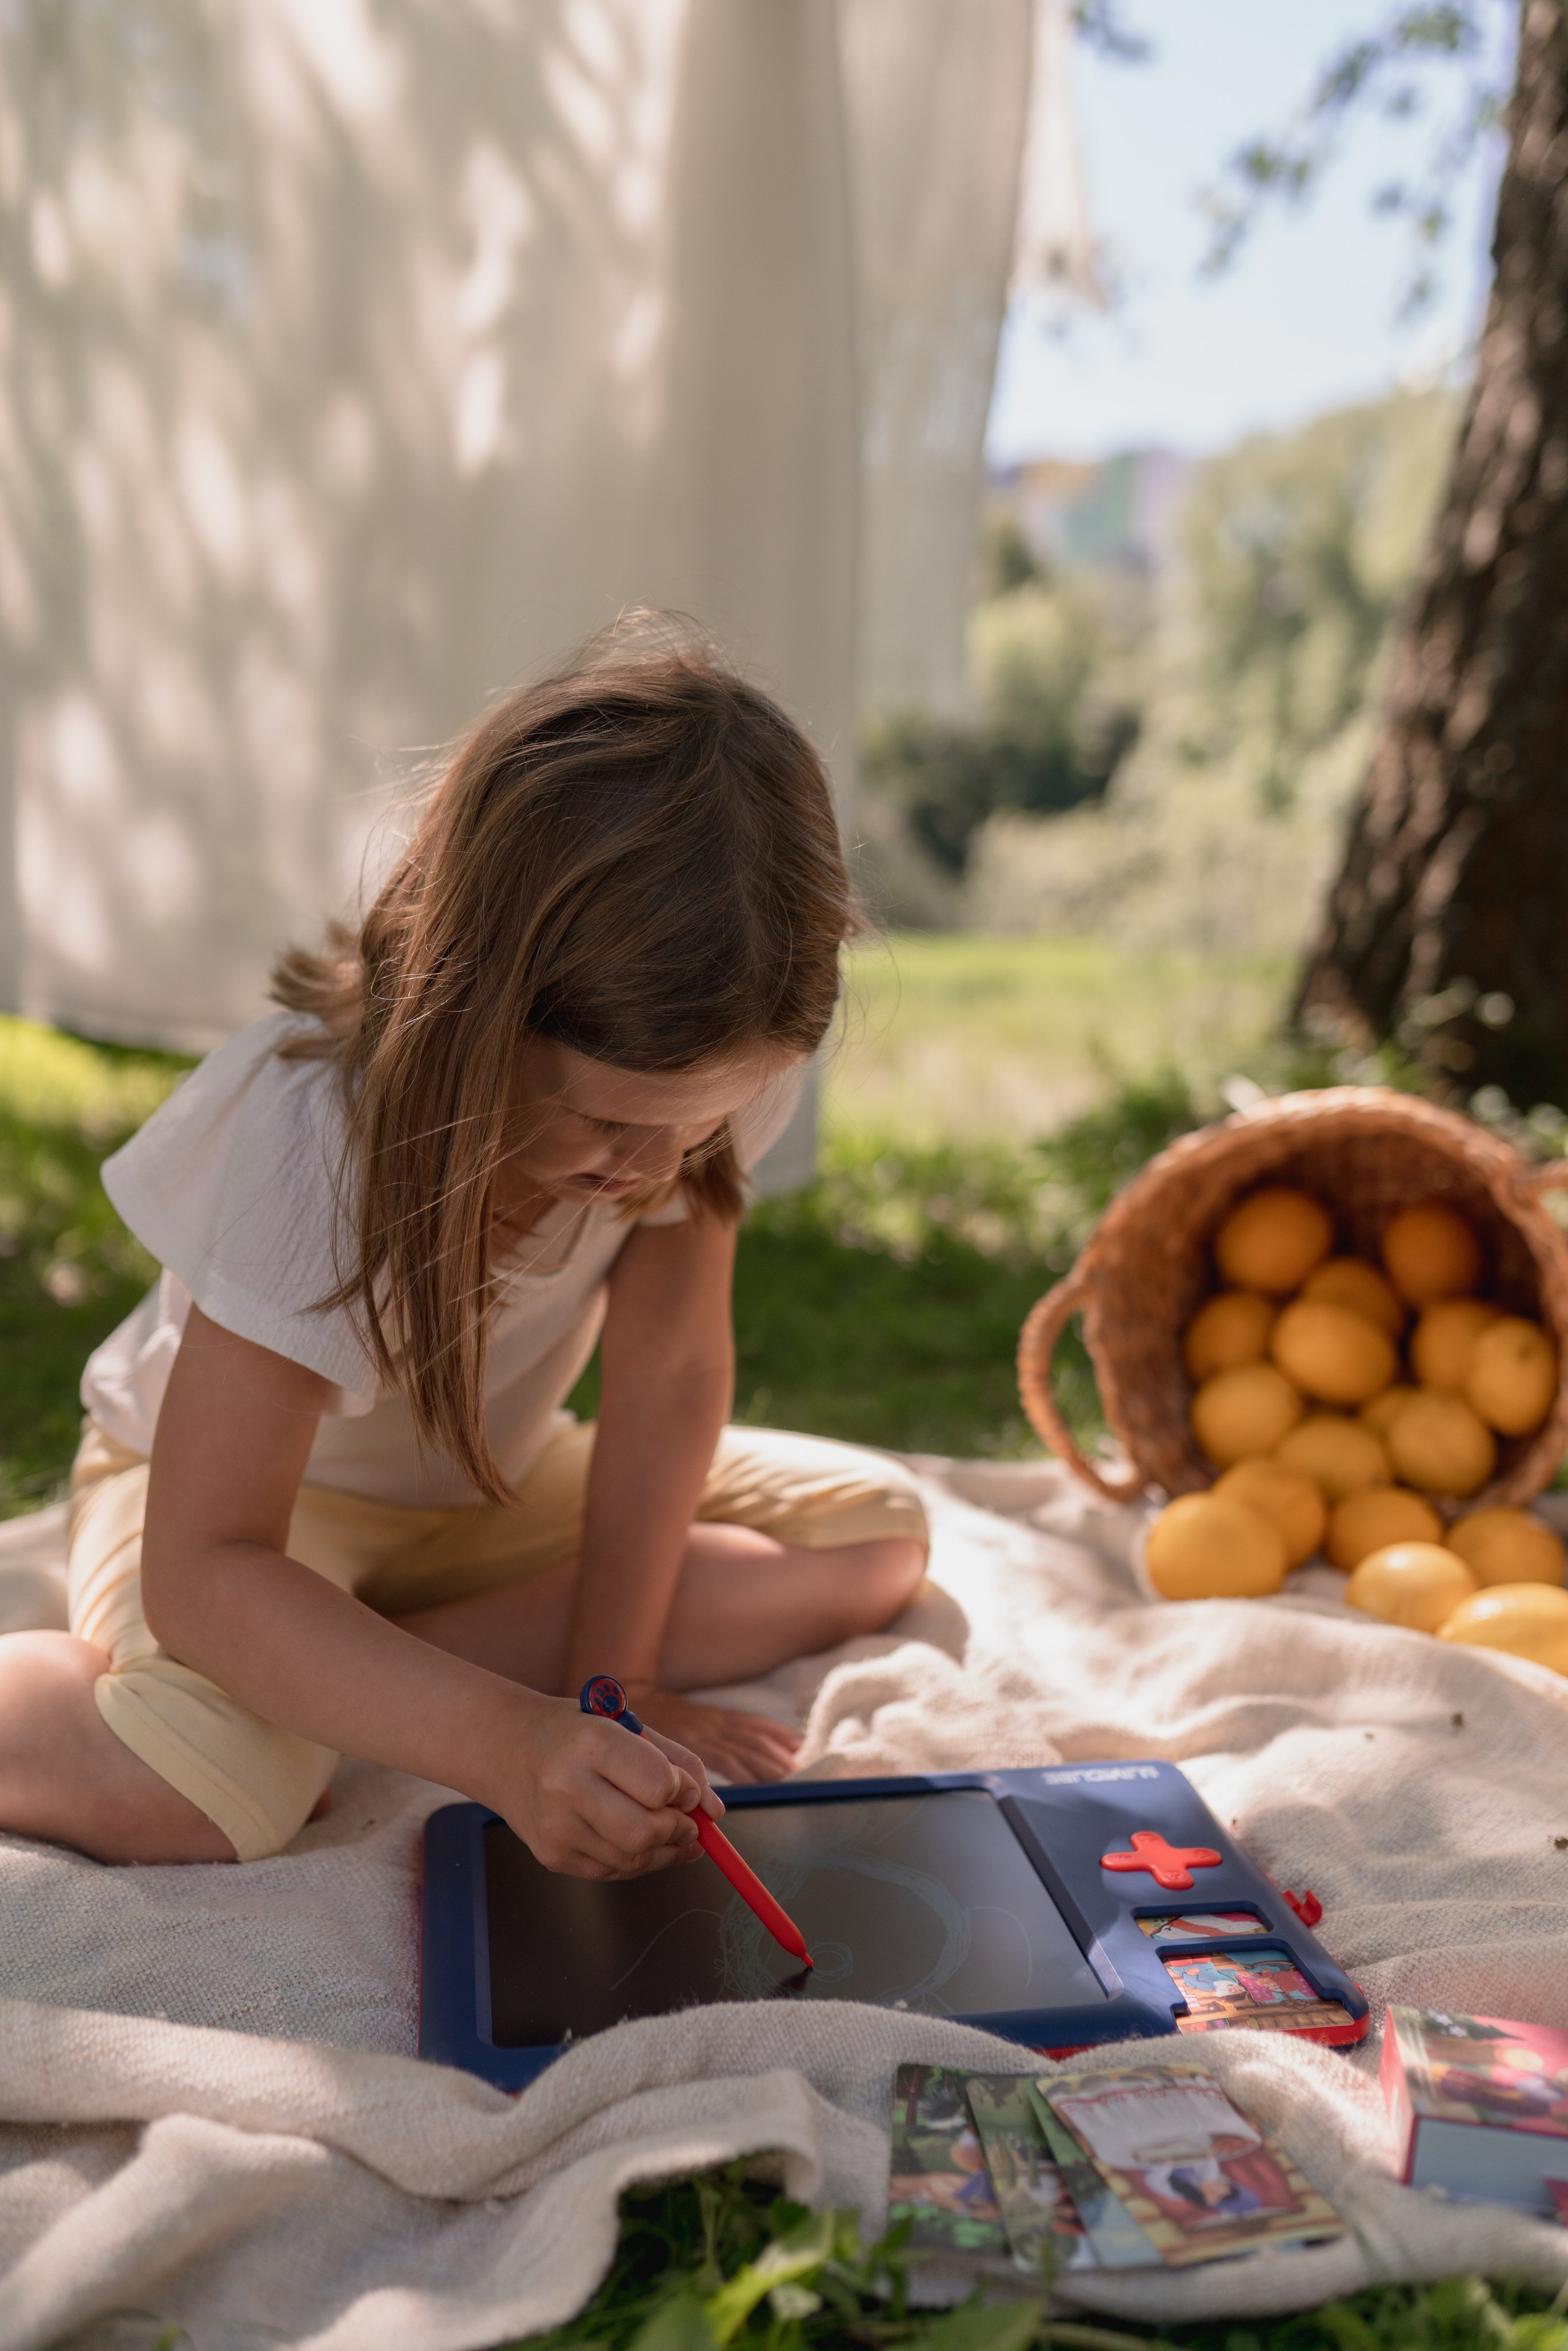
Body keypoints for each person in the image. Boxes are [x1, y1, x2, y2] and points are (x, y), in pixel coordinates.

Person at [0, 626, 929, 1876]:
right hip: (238, 1511)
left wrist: (614, 1687)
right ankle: (327, 1669)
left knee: (871, 1536)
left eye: (694, 1121)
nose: (649, 1167)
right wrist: (500, 1742)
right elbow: (209, 1565)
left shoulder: (693, 1072)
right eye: (602, 1122)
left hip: (477, 1488)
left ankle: (349, 1664)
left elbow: (666, 1376)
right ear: (472, 1009)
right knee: (200, 1789)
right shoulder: (314, 1131)